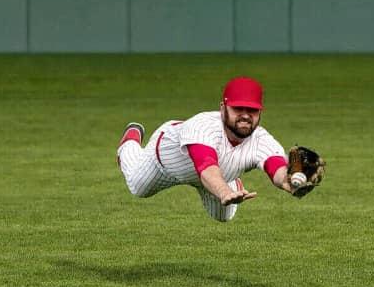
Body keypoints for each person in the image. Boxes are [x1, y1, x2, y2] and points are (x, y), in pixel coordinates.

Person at [116, 76, 295, 221]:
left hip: (215, 177)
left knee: (224, 216)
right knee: (137, 187)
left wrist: (290, 181)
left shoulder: (262, 139)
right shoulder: (203, 126)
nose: (245, 115)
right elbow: (206, 167)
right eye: (238, 108)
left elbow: (276, 167)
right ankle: (131, 138)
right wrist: (224, 191)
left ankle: (231, 181)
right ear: (223, 108)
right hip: (163, 164)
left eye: (252, 110)